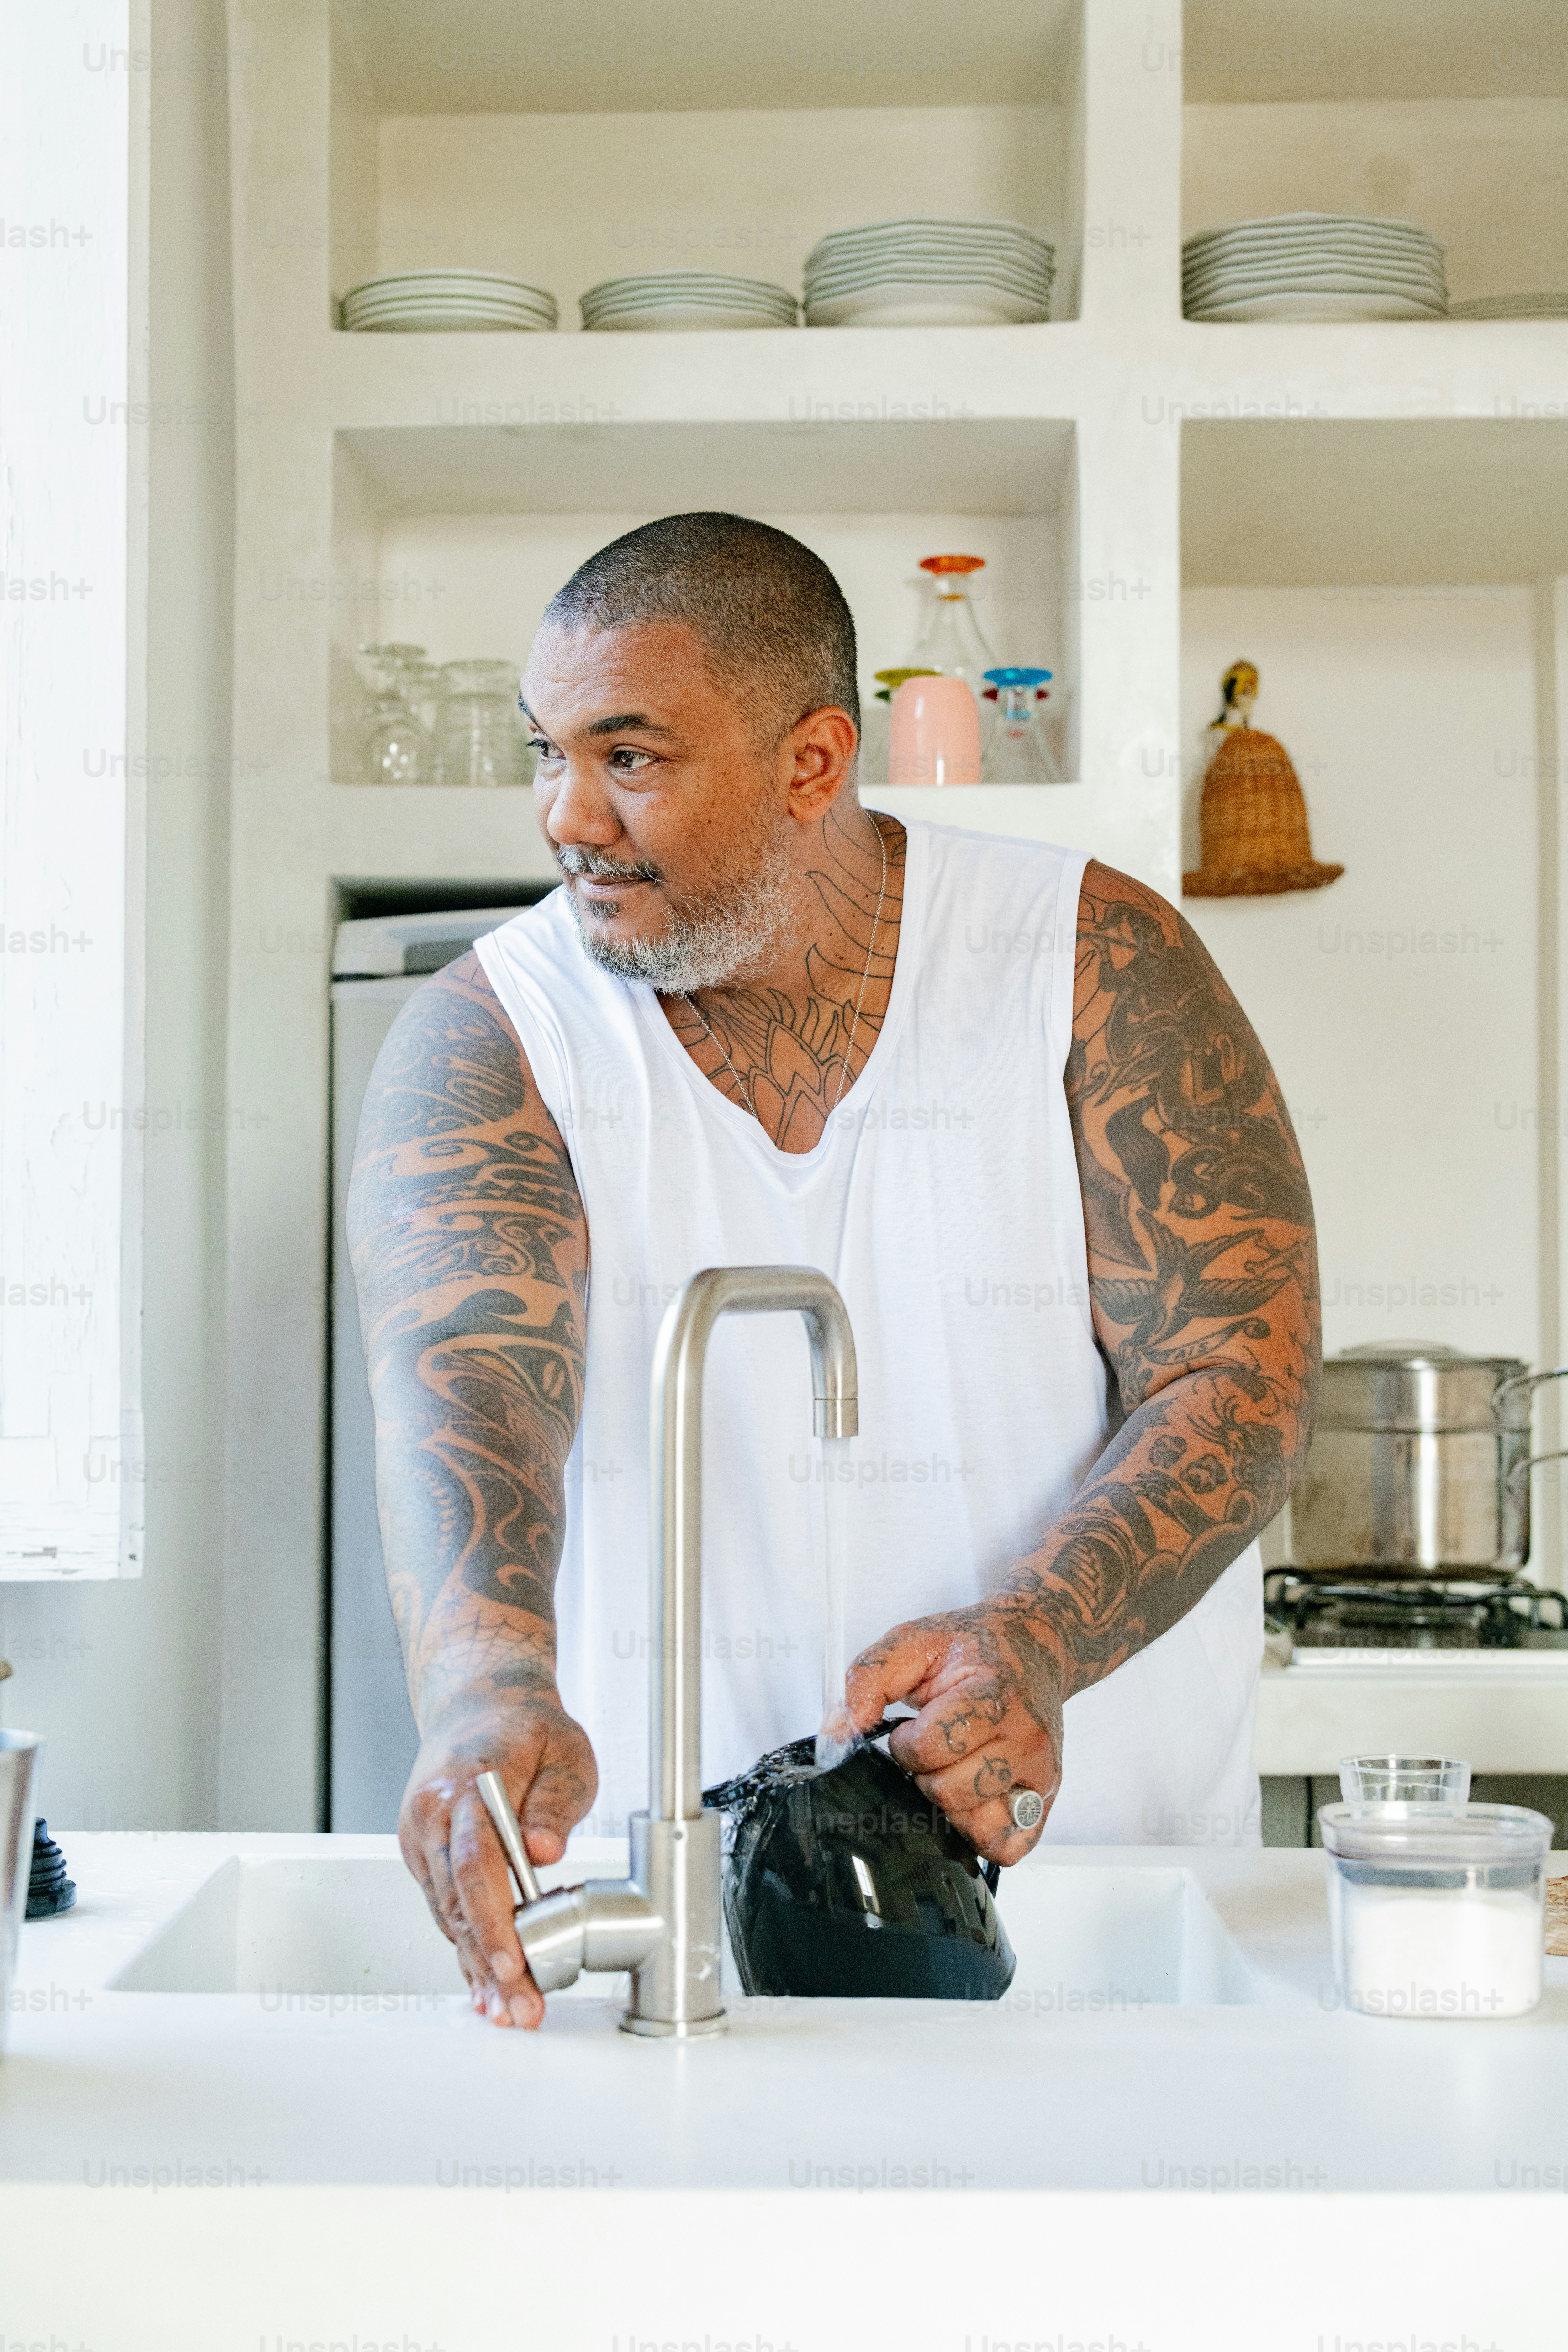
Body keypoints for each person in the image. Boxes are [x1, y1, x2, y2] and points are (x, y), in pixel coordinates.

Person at [347, 513, 1320, 2030]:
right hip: (675, 1938)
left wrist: (1040, 1640)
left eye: (631, 756)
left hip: (1104, 1910)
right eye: (546, 751)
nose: (568, 817)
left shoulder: (1090, 959)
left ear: (813, 762)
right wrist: (484, 1683)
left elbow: (1242, 1376)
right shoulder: (491, 1039)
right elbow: (469, 1394)